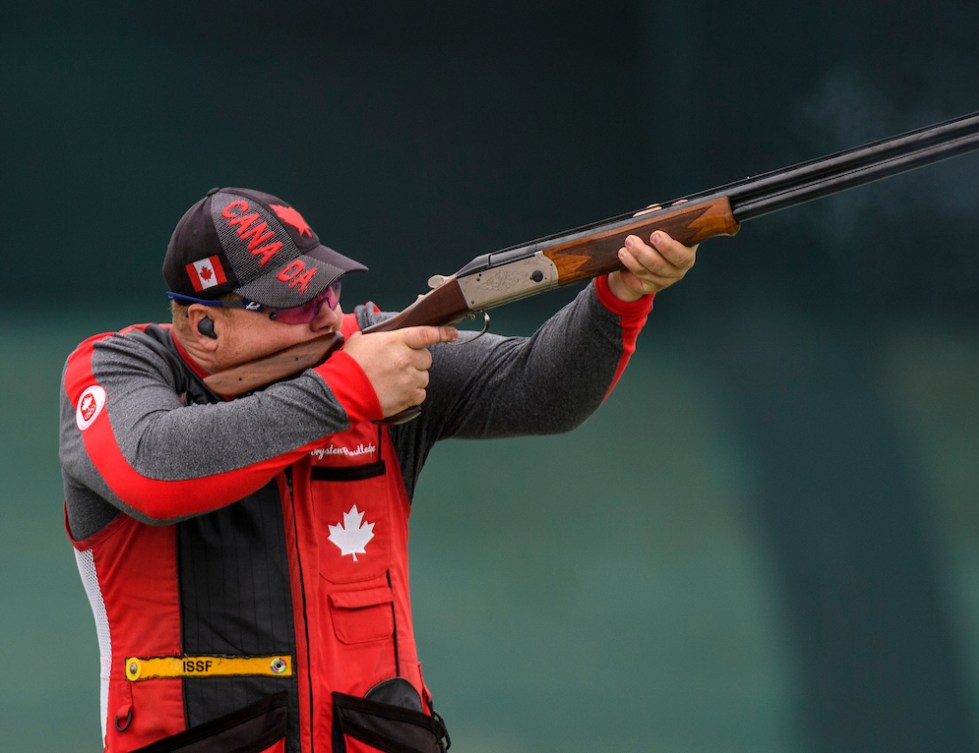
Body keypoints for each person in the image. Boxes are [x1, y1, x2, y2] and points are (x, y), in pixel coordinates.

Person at [60, 186, 698, 753]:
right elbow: (153, 472)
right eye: (290, 304)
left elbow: (541, 391)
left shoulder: (373, 352)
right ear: (203, 325)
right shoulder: (117, 371)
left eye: (326, 288)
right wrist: (343, 393)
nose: (324, 316)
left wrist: (617, 296)